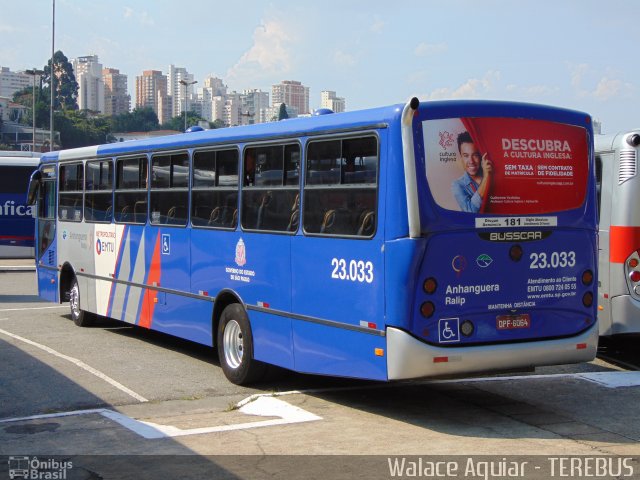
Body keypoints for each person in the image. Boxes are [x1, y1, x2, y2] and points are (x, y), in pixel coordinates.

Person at [451, 131, 493, 212]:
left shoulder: (494, 175)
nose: (471, 161)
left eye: (475, 155)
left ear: (481, 156)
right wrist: (486, 177)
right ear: (461, 158)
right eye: (466, 156)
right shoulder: (457, 185)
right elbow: (470, 211)